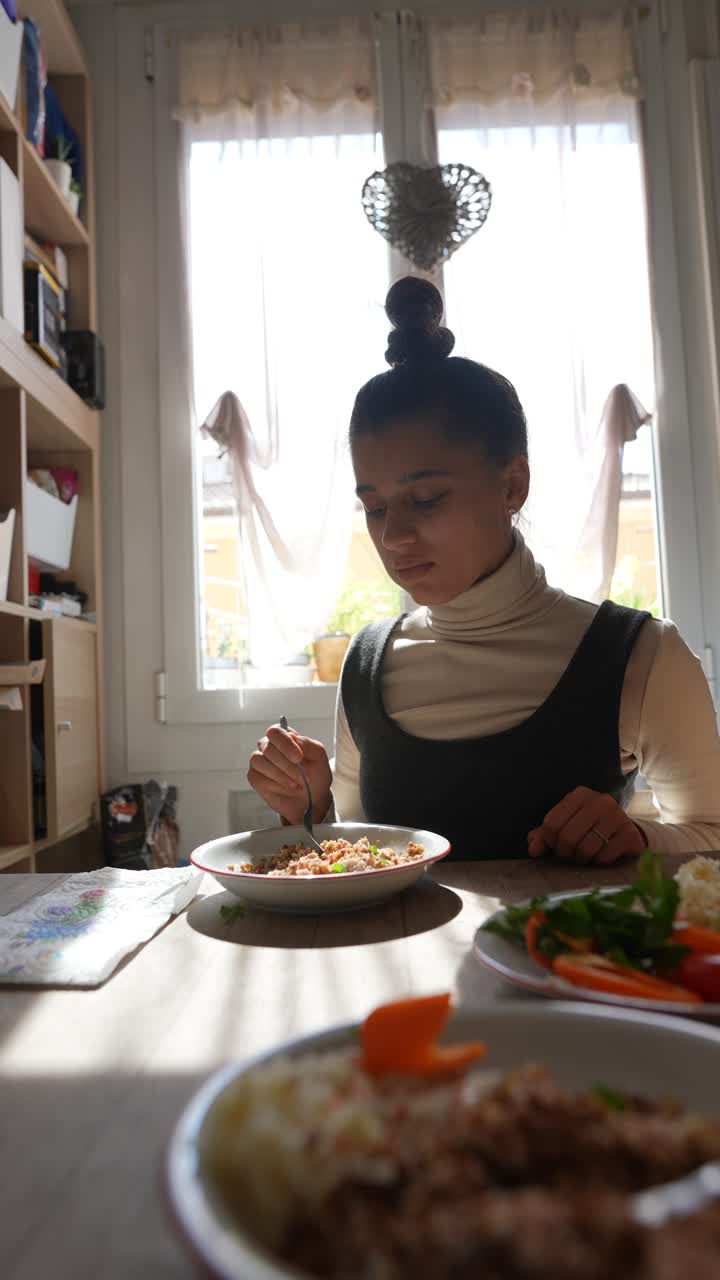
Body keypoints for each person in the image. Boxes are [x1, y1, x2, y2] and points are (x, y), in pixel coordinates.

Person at [248, 277, 720, 863]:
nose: (392, 535)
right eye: (373, 507)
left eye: (425, 499)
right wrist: (313, 809)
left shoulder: (642, 654)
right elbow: (368, 852)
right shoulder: (365, 664)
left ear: (513, 485)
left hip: (560, 958)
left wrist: (638, 837)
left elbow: (711, 837)